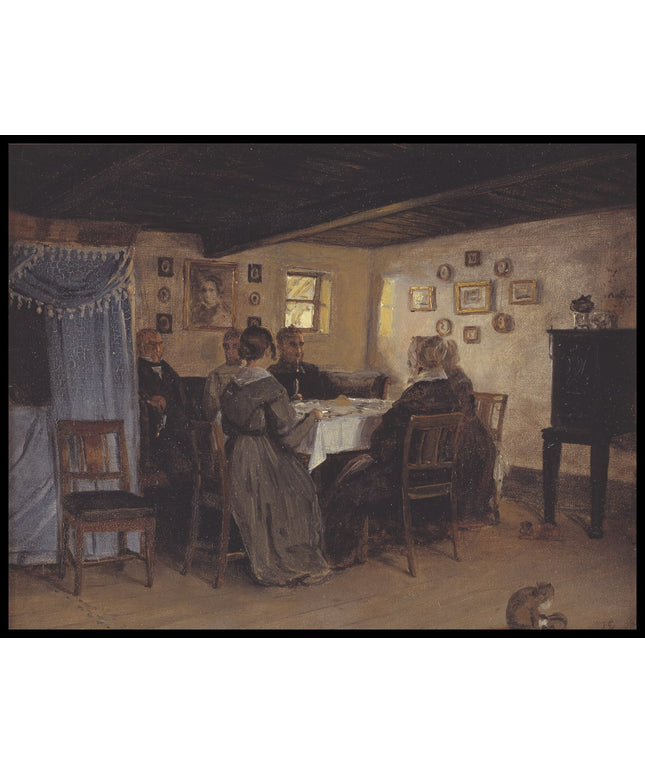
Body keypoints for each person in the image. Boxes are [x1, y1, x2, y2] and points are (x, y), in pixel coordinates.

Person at [322, 335, 494, 568]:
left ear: (418, 361)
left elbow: (380, 440)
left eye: (412, 355)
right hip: (440, 478)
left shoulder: (414, 396)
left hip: (401, 480)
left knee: (343, 482)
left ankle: (339, 554)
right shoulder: (450, 394)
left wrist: (373, 455)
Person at [220, 326, 332, 586]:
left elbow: (226, 426)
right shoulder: (272, 387)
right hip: (260, 461)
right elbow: (290, 438)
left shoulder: (233, 383)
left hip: (235, 459)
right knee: (302, 489)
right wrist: (311, 418)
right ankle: (292, 560)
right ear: (269, 350)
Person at [136, 328, 194, 548]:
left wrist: (169, 405)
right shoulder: (138, 370)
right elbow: (139, 397)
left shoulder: (168, 370)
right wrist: (150, 402)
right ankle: (174, 539)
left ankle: (184, 536)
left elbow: (183, 401)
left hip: (178, 434)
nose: (157, 348)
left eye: (160, 343)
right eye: (152, 344)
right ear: (141, 347)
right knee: (182, 471)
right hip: (155, 440)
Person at [443, 338, 497, 524]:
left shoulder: (458, 380)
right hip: (460, 426)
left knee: (463, 452)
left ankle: (464, 509)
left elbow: (463, 412)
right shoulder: (446, 378)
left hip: (468, 429)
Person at [268, 325, 329, 400]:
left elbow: (321, 399)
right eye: (293, 345)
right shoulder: (272, 374)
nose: (299, 351)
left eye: (301, 344)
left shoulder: (312, 371)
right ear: (280, 347)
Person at [203, 327, 244, 421]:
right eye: (226, 347)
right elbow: (211, 410)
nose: (229, 352)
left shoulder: (249, 371)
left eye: (235, 346)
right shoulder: (216, 374)